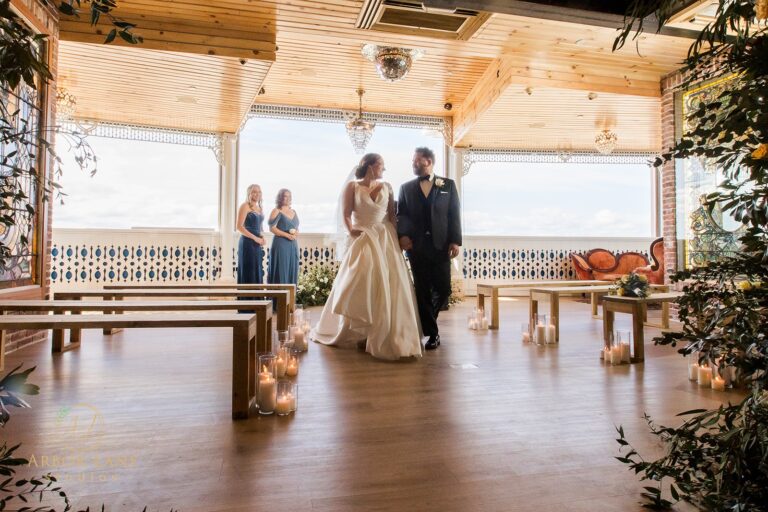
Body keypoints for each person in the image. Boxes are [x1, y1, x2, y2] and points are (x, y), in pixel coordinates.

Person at [311, 153, 422, 360]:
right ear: (371, 166)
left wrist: (397, 240)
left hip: (384, 239)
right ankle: (358, 330)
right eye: (381, 165)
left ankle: (382, 333)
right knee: (359, 281)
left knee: (387, 284)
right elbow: (345, 213)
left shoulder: (387, 186)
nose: (384, 170)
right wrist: (351, 230)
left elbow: (392, 217)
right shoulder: (352, 187)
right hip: (362, 237)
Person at [397, 147, 462, 350]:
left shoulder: (448, 185)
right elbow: (401, 215)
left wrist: (455, 240)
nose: (413, 164)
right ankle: (433, 334)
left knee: (444, 289)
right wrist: (404, 236)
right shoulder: (406, 188)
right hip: (416, 247)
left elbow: (454, 214)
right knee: (422, 290)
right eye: (413, 160)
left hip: (441, 245)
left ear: (428, 161)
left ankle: (425, 322)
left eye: (416, 160)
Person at [267, 189, 300, 285]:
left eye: (289, 196)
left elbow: (296, 227)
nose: (288, 198)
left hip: (292, 245)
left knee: (292, 269)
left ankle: (290, 299)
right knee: (281, 270)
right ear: (280, 197)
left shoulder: (293, 211)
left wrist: (296, 233)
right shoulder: (276, 210)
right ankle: (279, 298)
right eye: (286, 196)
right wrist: (287, 235)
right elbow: (272, 228)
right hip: (281, 244)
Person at [236, 184, 266, 284]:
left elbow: (260, 227)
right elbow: (239, 227)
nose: (257, 194)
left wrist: (262, 237)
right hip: (247, 243)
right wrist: (255, 238)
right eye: (254, 191)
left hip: (257, 244)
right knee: (248, 270)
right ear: (249, 193)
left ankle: (257, 298)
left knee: (256, 269)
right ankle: (247, 298)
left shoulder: (259, 208)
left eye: (259, 192)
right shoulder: (245, 206)